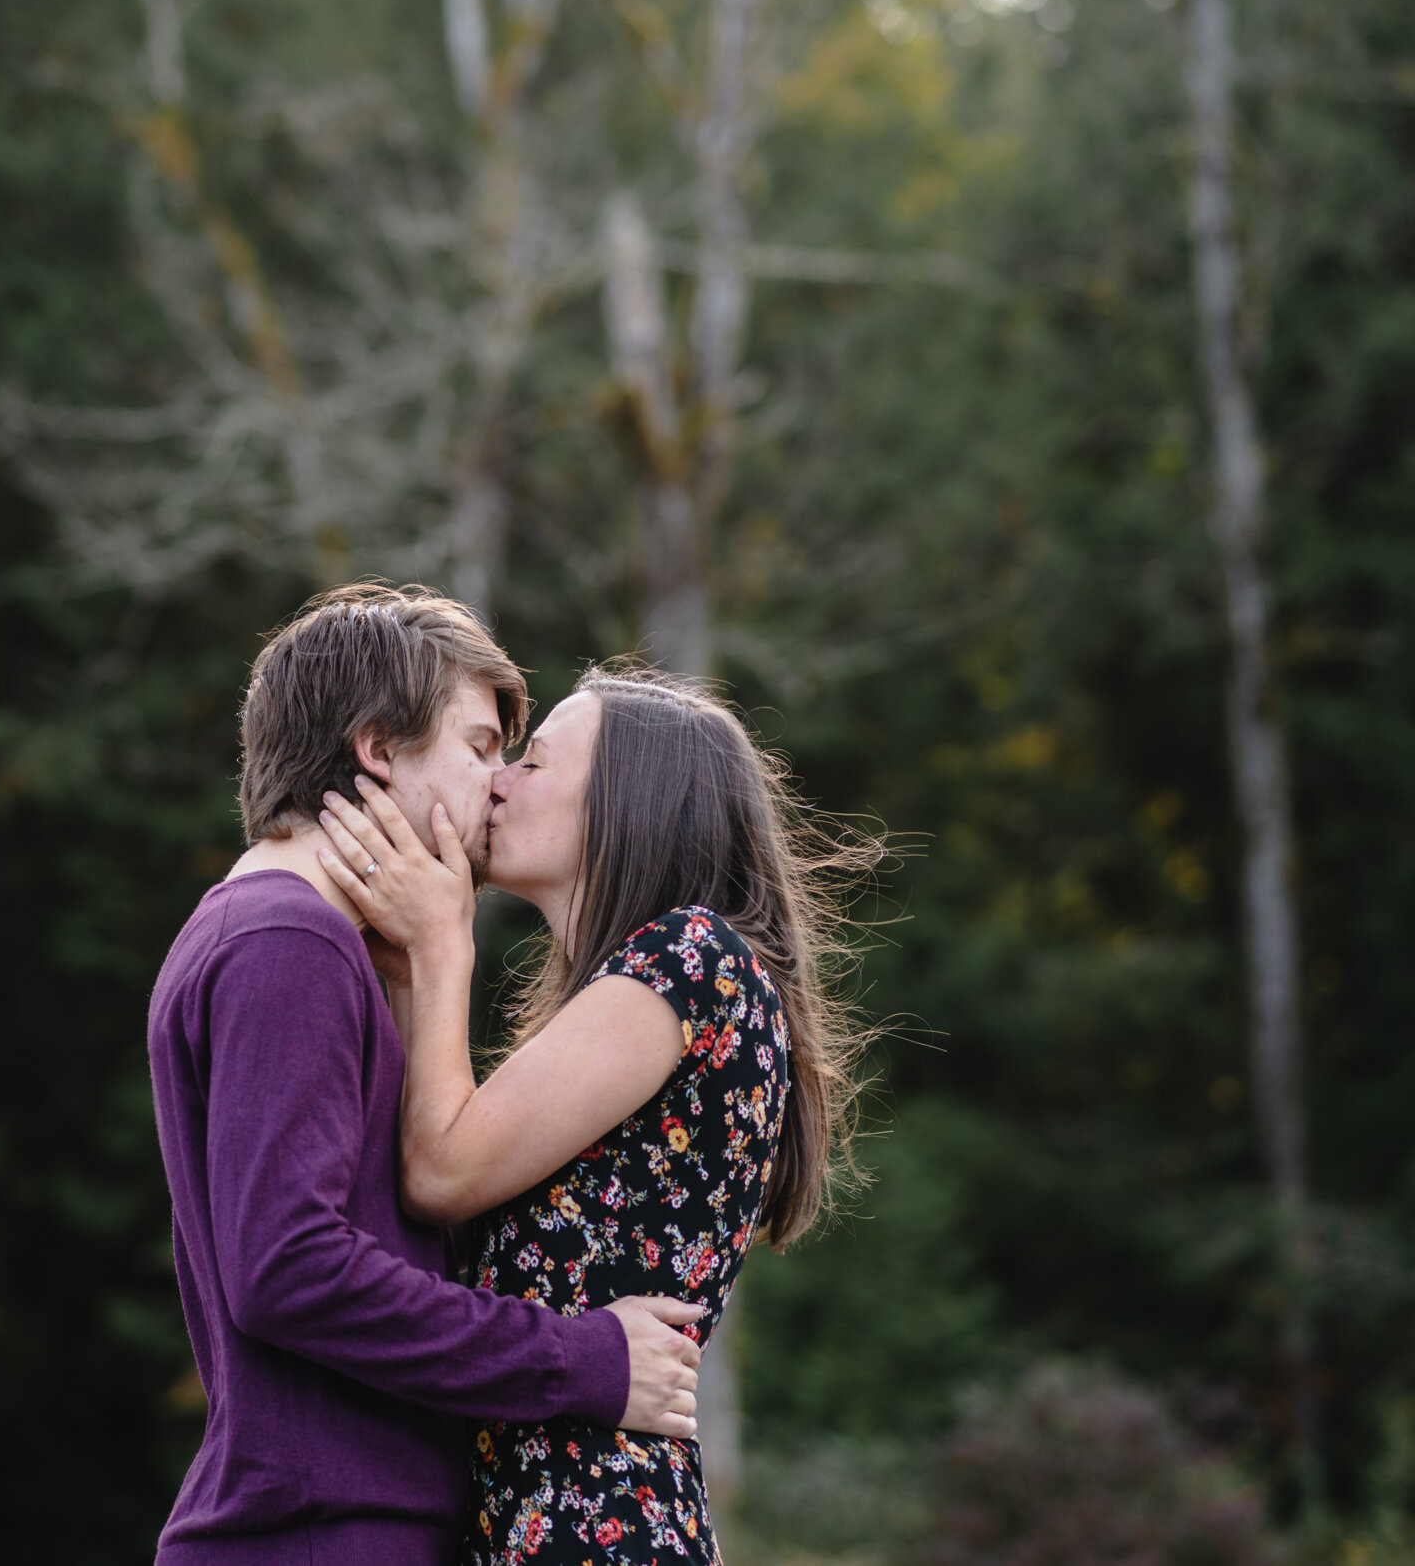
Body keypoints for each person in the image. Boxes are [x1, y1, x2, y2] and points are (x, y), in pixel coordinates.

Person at [147, 587, 711, 1566]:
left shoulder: (294, 939)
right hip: (319, 1537)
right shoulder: (288, 939)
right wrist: (581, 1358)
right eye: (481, 746)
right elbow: (289, 1268)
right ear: (378, 748)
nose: (498, 782)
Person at [314, 664, 872, 1565]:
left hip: (595, 1524)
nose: (497, 779)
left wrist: (441, 945)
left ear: (628, 803)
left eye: (532, 762)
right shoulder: (645, 987)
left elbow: (440, 1172)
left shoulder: (691, 960)